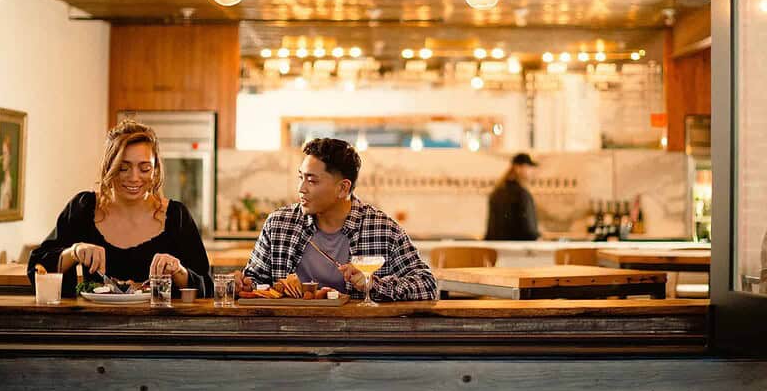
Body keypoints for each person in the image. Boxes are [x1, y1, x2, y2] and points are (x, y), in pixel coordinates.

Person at [27, 119, 213, 298]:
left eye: (145, 168)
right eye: (123, 168)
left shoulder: (176, 216)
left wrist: (177, 270)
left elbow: (207, 286)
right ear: (109, 167)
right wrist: (74, 252)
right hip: (93, 326)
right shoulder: (83, 208)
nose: (134, 177)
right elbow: (37, 267)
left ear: (155, 170)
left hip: (162, 328)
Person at [235, 137, 437, 301]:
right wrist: (245, 284)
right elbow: (256, 281)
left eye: (312, 180)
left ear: (343, 188)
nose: (301, 188)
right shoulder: (279, 224)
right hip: (289, 337)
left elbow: (427, 285)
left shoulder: (383, 229)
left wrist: (373, 284)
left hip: (360, 341)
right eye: (301, 177)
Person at [485, 152, 541, 241]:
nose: (532, 171)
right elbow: (529, 231)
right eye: (529, 167)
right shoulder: (522, 194)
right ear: (518, 168)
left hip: (496, 249)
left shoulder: (497, 192)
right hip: (517, 251)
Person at [0, 135, 13, 210]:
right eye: (2, 153)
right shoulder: (3, 182)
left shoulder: (8, 183)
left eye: (5, 153)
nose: (1, 158)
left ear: (10, 157)